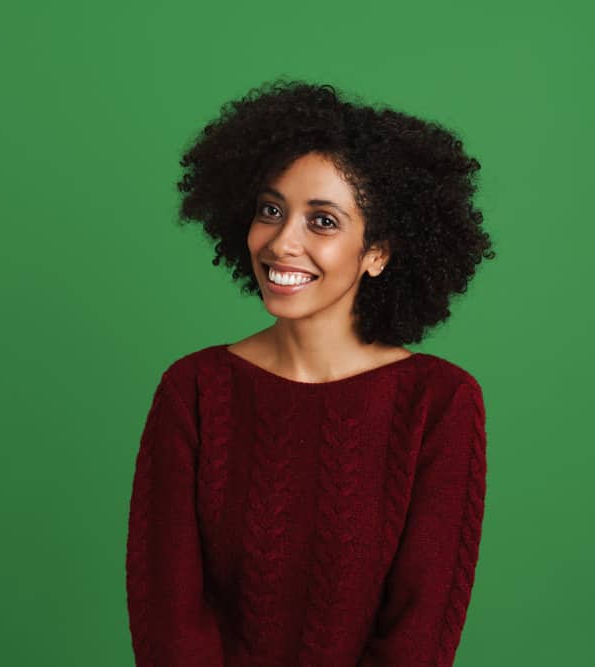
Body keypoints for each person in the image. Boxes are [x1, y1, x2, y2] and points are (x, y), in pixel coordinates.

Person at [125, 78, 496, 666]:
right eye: (271, 210)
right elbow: (168, 619)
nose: (281, 243)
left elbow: (418, 634)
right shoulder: (194, 390)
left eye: (322, 221)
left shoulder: (439, 402)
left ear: (377, 252)